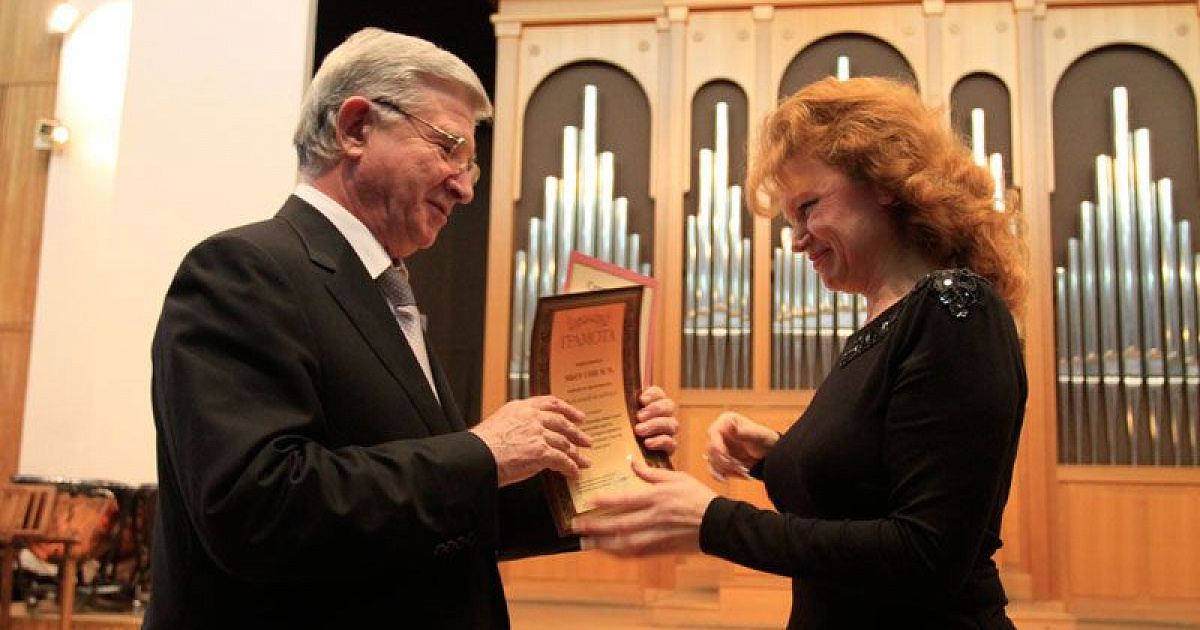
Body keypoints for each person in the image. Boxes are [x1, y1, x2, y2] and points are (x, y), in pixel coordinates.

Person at [145, 28, 678, 629]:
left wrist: (603, 468)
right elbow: (258, 507)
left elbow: (436, 518)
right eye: (450, 147)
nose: (466, 187)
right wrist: (482, 453)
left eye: (471, 164)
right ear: (355, 129)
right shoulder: (242, 270)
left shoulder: (378, 291)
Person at [575, 76, 1028, 629]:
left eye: (809, 206)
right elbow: (869, 493)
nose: (795, 239)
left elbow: (925, 555)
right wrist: (777, 458)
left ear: (884, 181)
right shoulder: (882, 324)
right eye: (791, 219)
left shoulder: (955, 308)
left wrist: (711, 522)